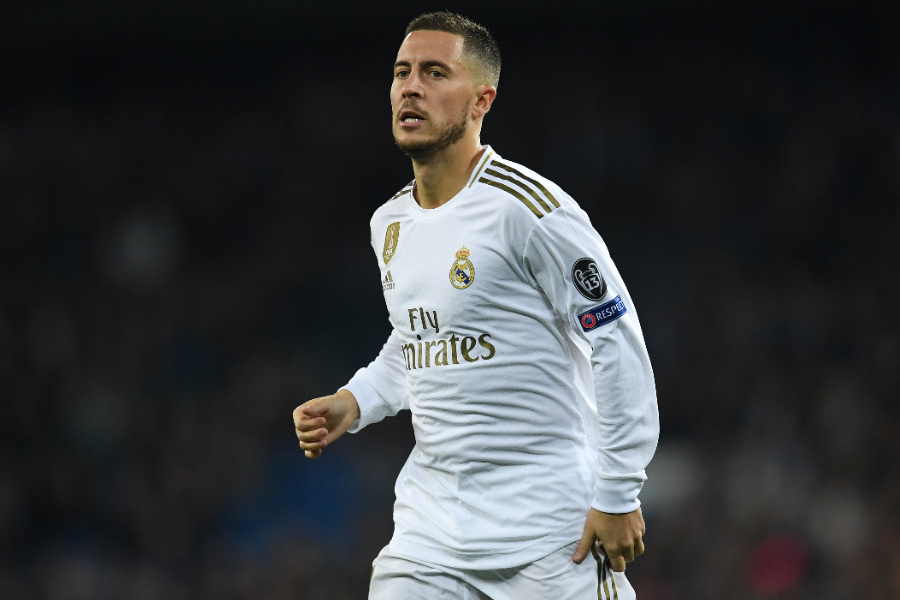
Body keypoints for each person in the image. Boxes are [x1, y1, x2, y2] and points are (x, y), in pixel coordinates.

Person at [293, 11, 659, 599]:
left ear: (481, 100)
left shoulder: (530, 210)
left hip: (549, 537)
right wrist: (355, 400)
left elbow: (615, 339)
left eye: (435, 73)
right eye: (402, 72)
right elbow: (421, 335)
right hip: (430, 538)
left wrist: (618, 492)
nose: (411, 87)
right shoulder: (389, 222)